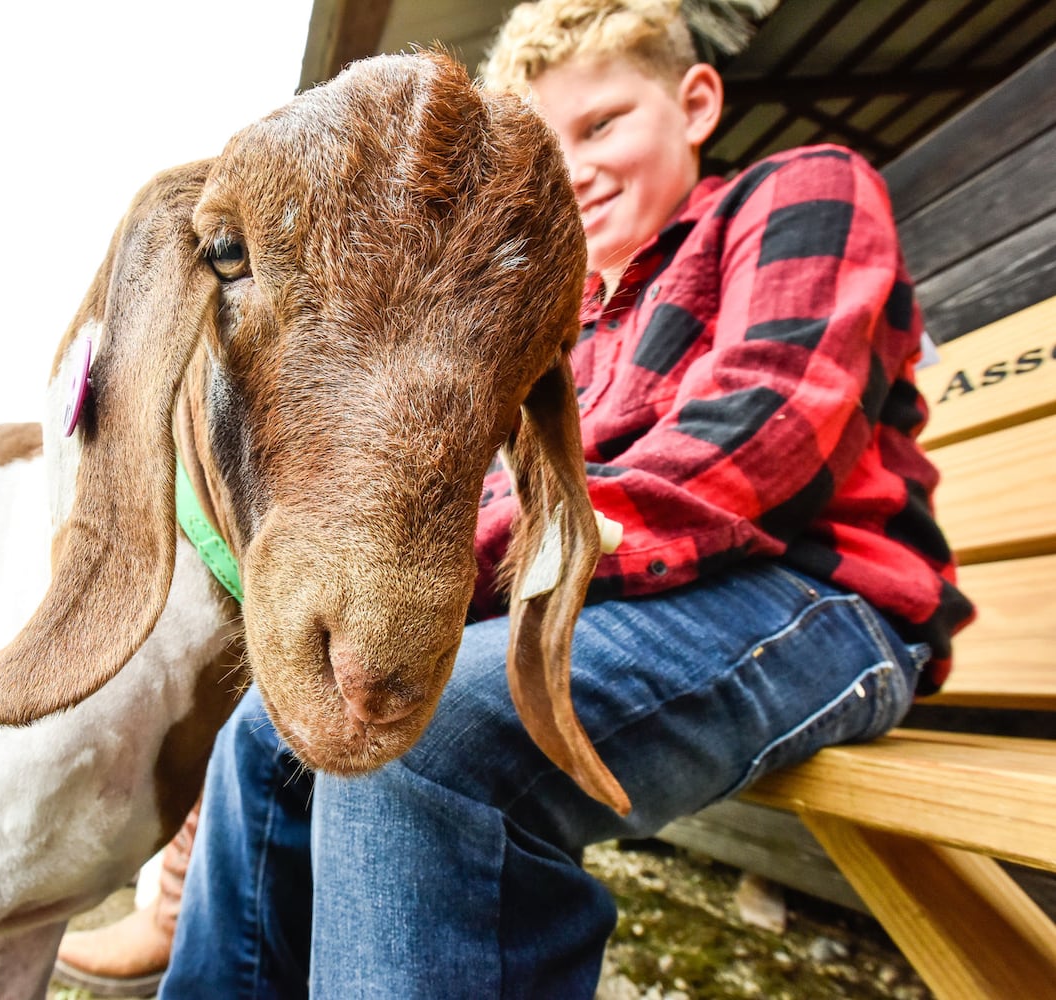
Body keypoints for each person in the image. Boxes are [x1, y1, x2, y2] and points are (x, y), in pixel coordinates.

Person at [77, 1, 975, 996]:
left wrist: (450, 560)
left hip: (819, 600)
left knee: (434, 748)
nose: (577, 168)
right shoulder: (558, 316)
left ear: (697, 100)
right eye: (549, 147)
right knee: (272, 728)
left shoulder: (797, 192)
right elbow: (508, 493)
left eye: (604, 125)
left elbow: (762, 447)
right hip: (629, 600)